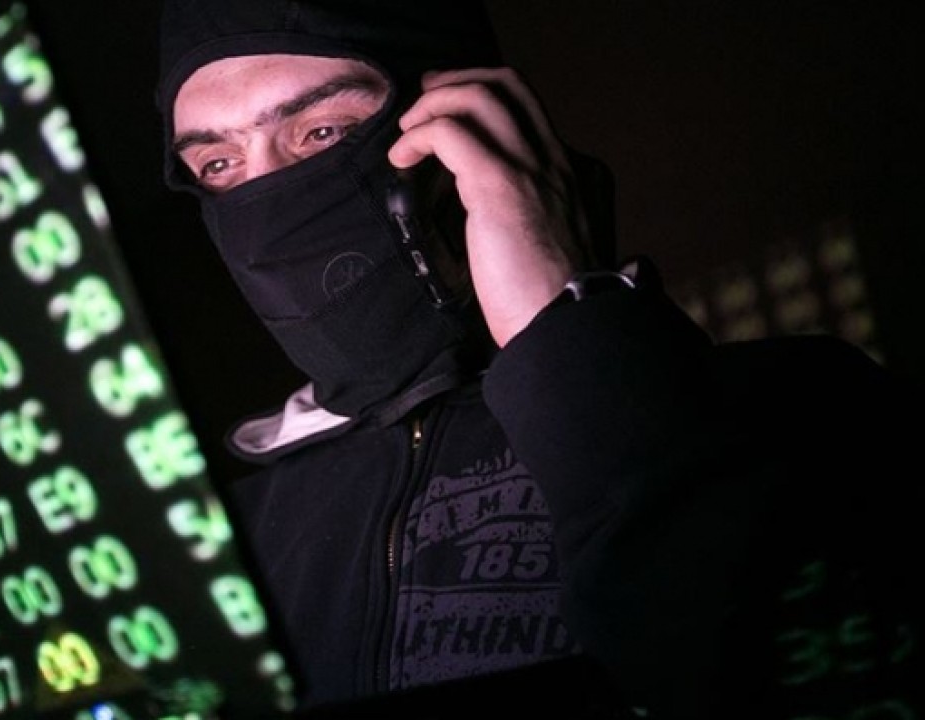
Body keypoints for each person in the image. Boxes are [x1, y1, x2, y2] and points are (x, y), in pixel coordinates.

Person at [153, 1, 925, 718]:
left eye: (322, 133)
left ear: (468, 122)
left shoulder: (799, 408)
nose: (266, 198)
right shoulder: (225, 549)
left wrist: (566, 331)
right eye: (218, 165)